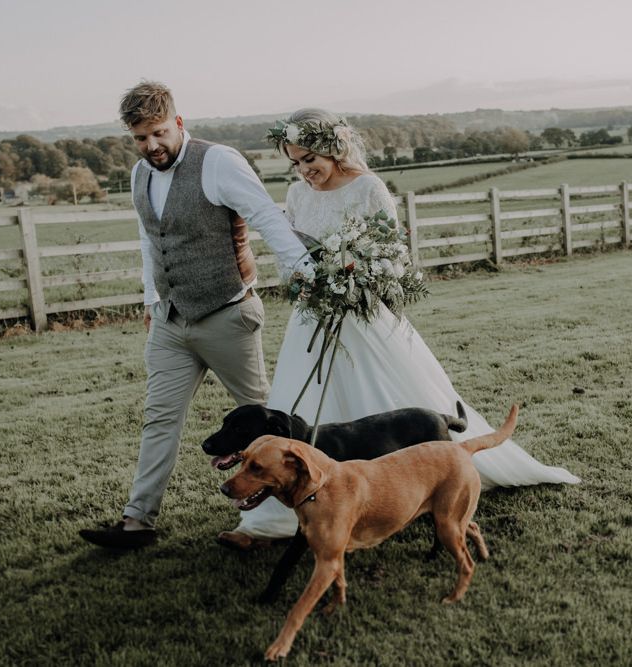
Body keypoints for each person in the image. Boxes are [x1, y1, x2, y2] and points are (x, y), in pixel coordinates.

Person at [216, 109, 580, 549]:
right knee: (304, 400)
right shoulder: (297, 195)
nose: (303, 169)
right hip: (313, 315)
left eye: (309, 157)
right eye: (294, 161)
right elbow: (292, 256)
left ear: (335, 146)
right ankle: (280, 510)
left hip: (363, 313)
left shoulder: (369, 188)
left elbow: (394, 258)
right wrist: (306, 282)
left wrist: (355, 282)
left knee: (396, 394)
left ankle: (420, 479)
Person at [79, 82, 312, 549]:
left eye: (159, 134)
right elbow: (151, 240)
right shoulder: (138, 175)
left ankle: (298, 514)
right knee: (159, 418)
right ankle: (137, 522)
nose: (152, 147)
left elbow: (266, 217)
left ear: (178, 123)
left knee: (270, 422)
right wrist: (151, 300)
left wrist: (304, 270)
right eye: (140, 138)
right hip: (169, 321)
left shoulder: (219, 162)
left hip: (228, 314)